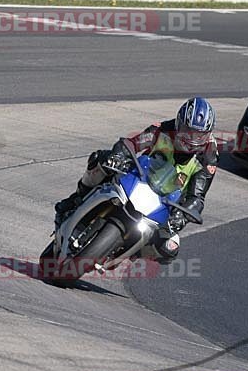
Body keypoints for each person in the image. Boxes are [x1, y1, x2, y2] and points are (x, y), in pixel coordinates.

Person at [54, 97, 219, 264]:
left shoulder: (209, 157)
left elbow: (197, 197)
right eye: (187, 131)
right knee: (101, 159)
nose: (191, 140)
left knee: (170, 248)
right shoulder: (162, 129)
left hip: (167, 202)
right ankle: (76, 198)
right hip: (139, 176)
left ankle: (128, 251)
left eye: (199, 136)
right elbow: (133, 144)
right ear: (178, 124)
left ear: (208, 133)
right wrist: (119, 156)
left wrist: (181, 216)